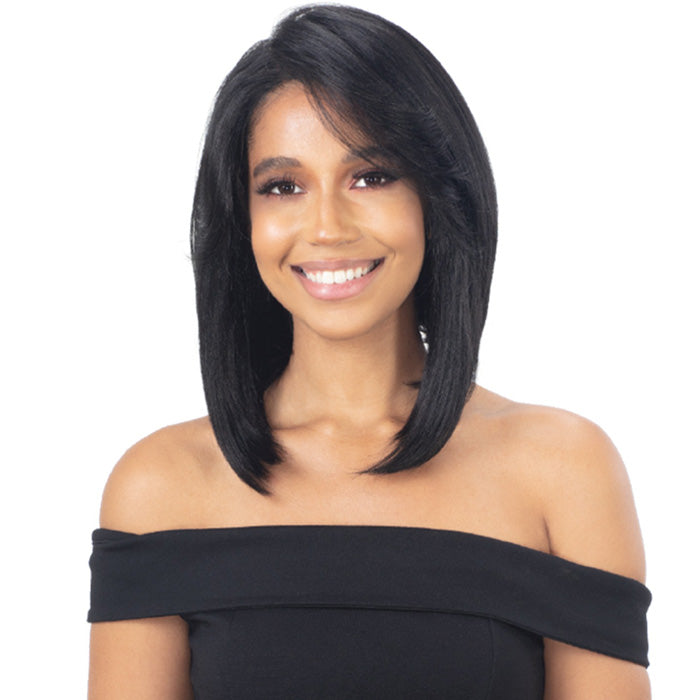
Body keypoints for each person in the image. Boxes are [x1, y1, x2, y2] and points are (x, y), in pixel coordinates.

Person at [87, 5, 651, 698]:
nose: (327, 227)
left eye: (371, 175)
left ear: (438, 198)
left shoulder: (564, 471)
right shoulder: (159, 486)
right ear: (244, 221)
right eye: (283, 187)